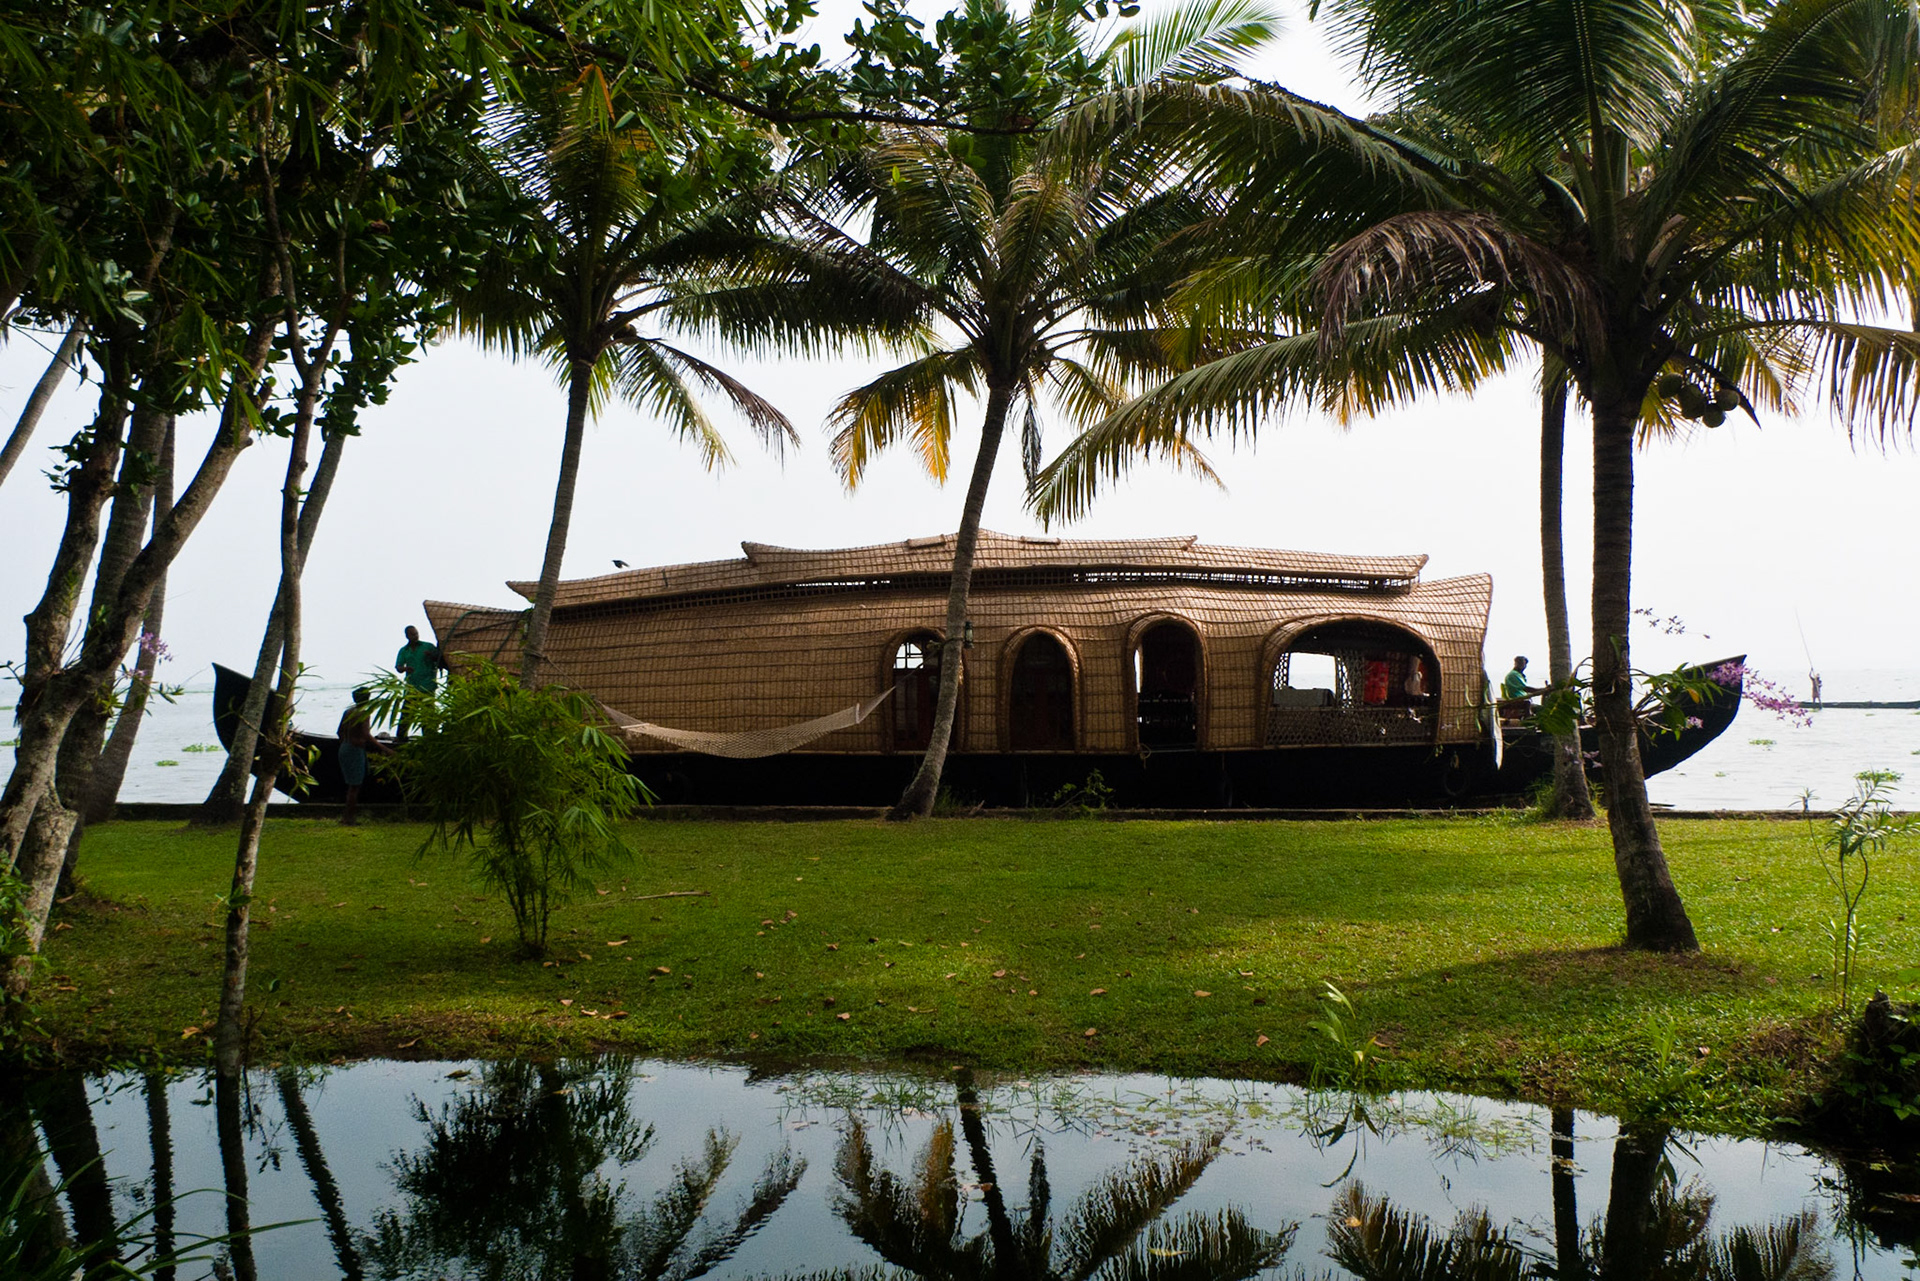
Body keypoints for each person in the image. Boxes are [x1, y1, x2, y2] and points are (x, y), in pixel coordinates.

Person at [338, 687, 393, 826]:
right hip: (355, 750)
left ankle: (346, 817)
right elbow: (367, 735)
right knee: (354, 786)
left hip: (345, 747)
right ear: (367, 698)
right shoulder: (364, 713)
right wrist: (385, 749)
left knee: (351, 785)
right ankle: (348, 819)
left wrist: (348, 741)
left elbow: (340, 732)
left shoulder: (348, 712)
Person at [394, 625, 442, 742]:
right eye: (412, 634)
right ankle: (401, 737)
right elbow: (398, 667)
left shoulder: (428, 646)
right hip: (412, 687)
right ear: (407, 636)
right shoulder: (404, 650)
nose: (415, 636)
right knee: (407, 713)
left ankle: (429, 737)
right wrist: (405, 669)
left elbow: (440, 659)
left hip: (427, 686)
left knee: (428, 714)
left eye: (416, 633)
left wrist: (432, 656)